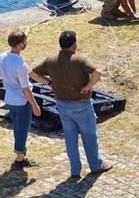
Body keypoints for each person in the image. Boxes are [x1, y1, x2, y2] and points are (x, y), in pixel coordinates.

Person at [30, 31, 112, 179]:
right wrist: (88, 86)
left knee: (70, 138)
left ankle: (75, 170)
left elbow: (32, 74)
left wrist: (49, 83)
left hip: (62, 105)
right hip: (81, 105)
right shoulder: (79, 59)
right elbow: (98, 72)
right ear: (74, 44)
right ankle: (96, 165)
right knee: (89, 137)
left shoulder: (51, 60)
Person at [0, 31, 41, 168]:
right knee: (22, 129)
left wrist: (47, 82)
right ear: (19, 44)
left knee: (17, 127)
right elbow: (26, 89)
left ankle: (20, 153)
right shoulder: (20, 64)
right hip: (22, 101)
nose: (25, 43)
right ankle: (19, 158)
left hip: (9, 99)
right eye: (24, 41)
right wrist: (35, 105)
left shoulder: (3, 57)